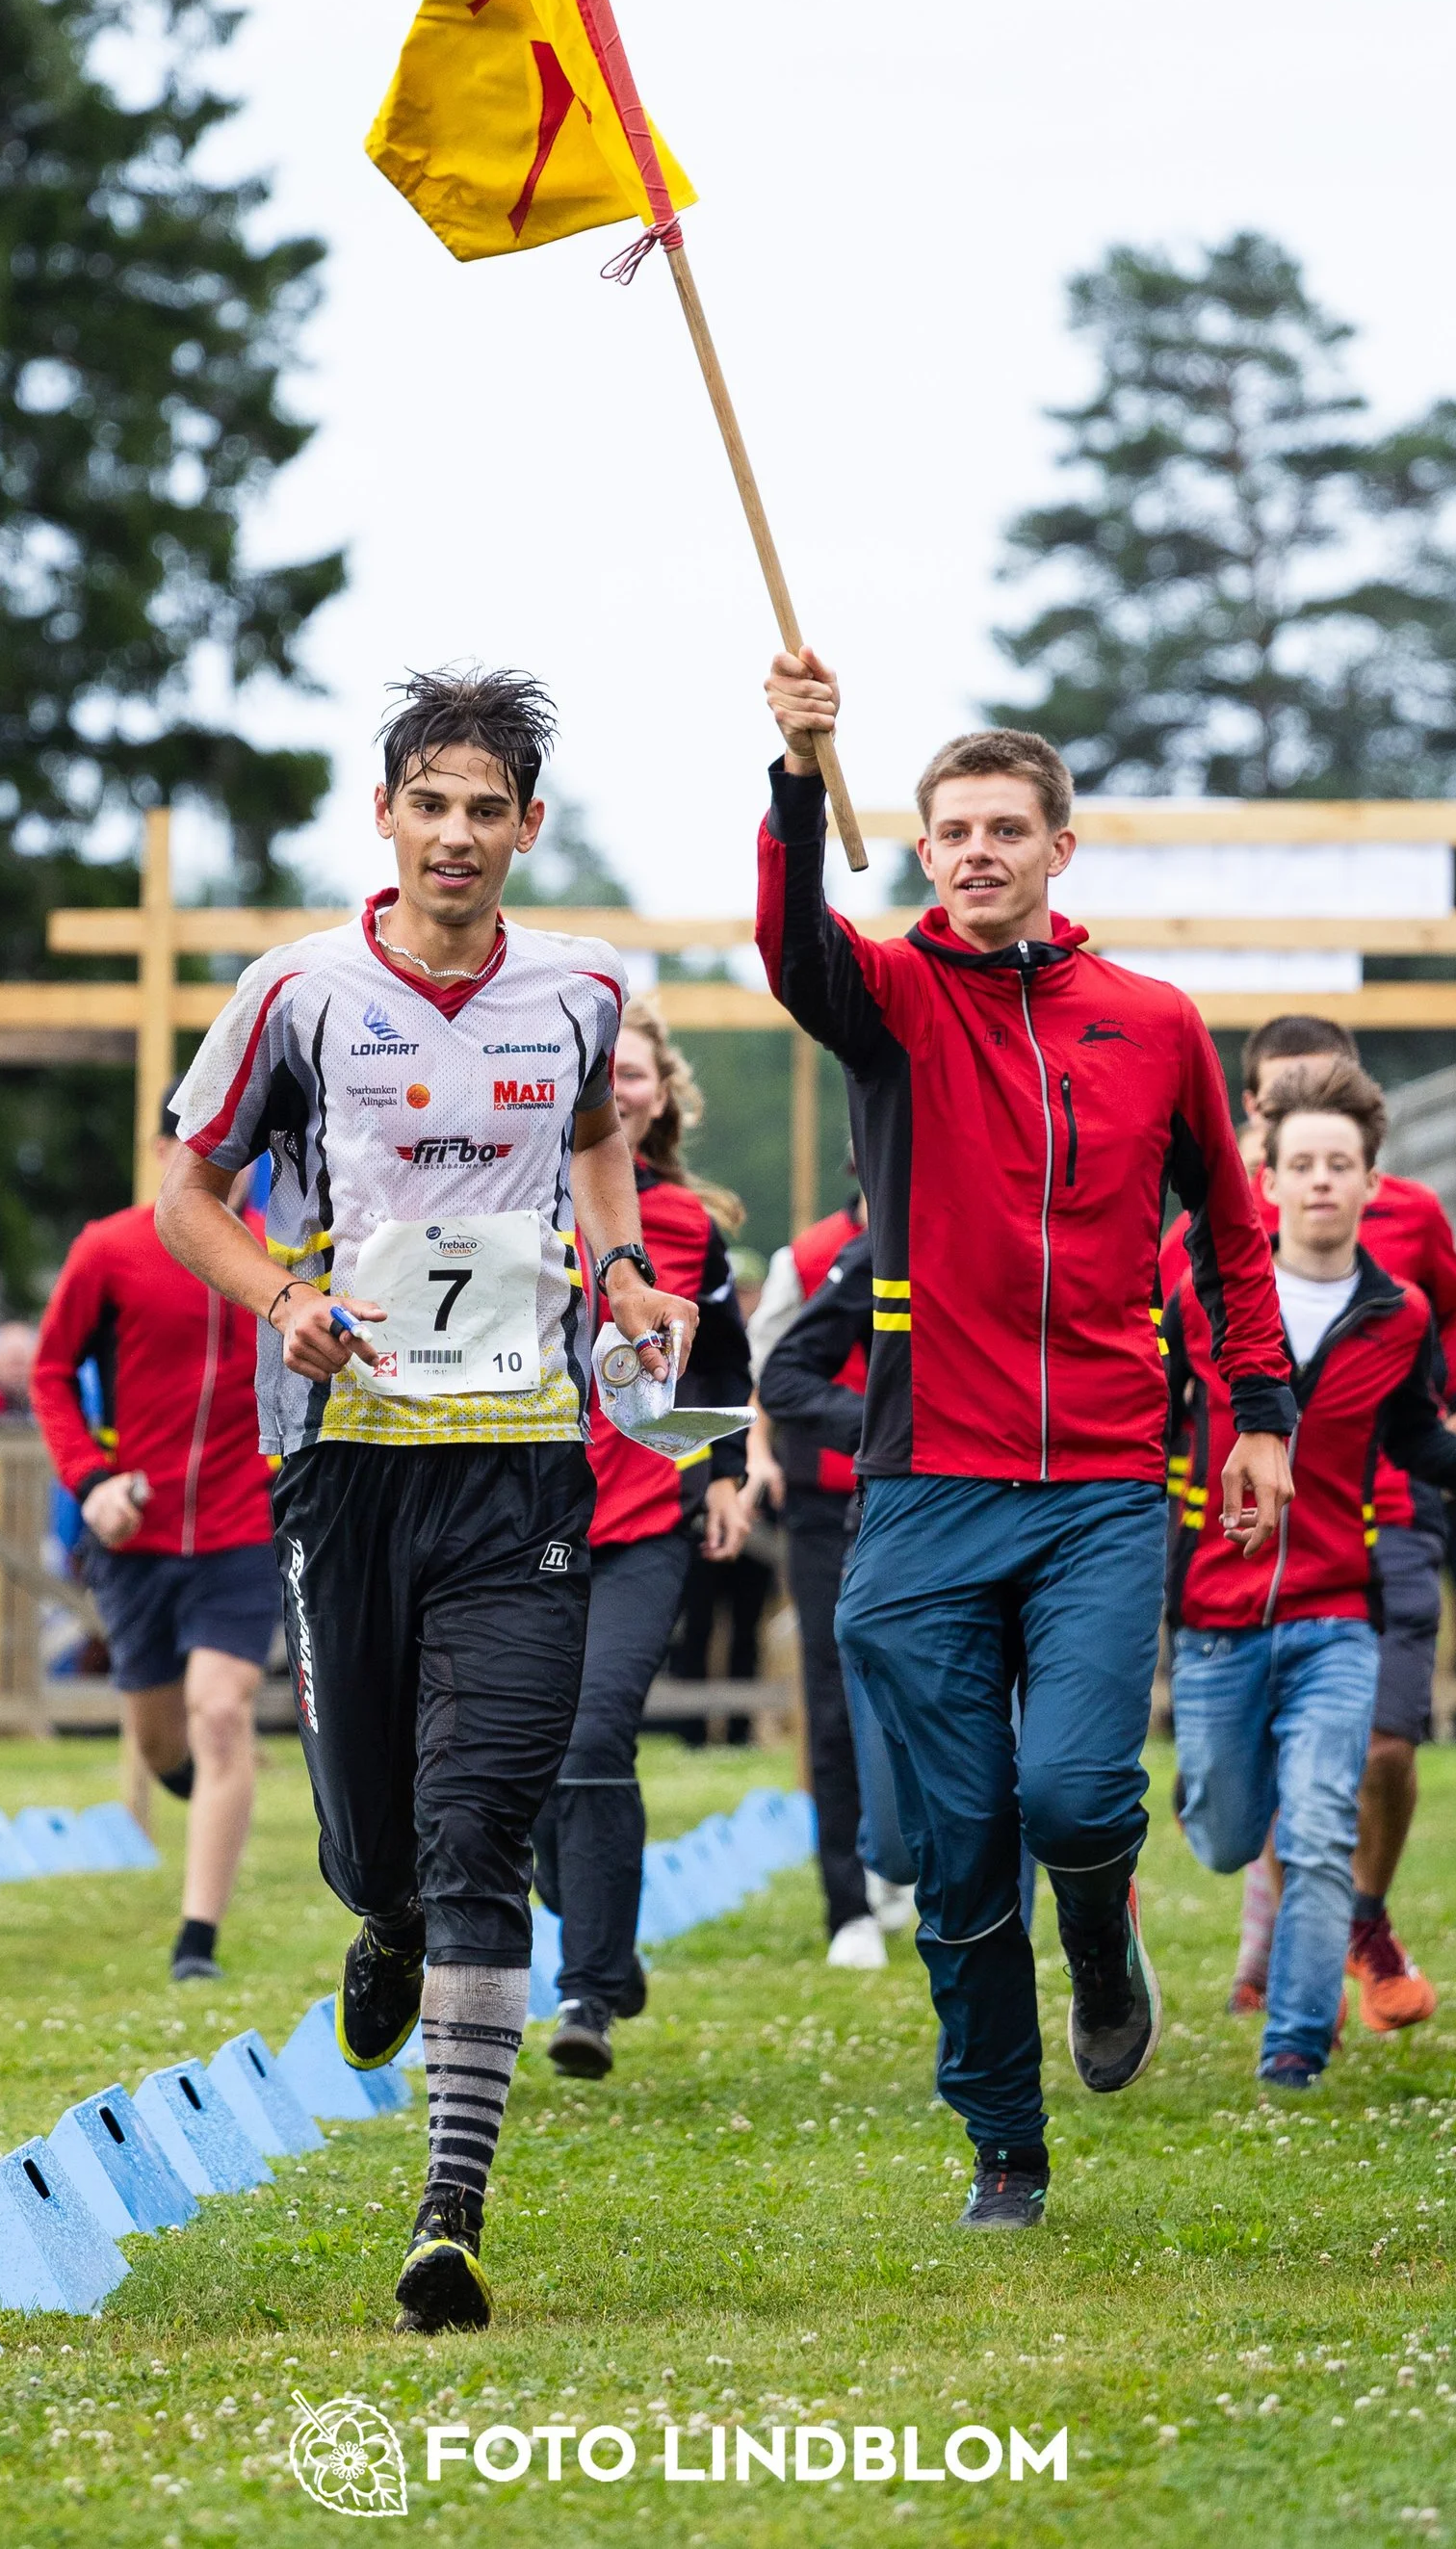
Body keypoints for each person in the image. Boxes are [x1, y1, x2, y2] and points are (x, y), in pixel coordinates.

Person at [157, 667, 697, 2335]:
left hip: (522, 1452)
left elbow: (603, 1139)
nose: (459, 834)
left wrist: (615, 1268)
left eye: (490, 808)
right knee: (372, 1833)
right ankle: (375, 1914)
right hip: (340, 1455)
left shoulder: (587, 987)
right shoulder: (296, 994)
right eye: (431, 803)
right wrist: (279, 1298)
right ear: (383, 816)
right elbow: (183, 1193)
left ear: (528, 827)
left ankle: (447, 2214)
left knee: (485, 1831)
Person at [758, 647, 1296, 2230]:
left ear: (1064, 849)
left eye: (1007, 827)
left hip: (1107, 1487)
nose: (978, 852)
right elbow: (792, 946)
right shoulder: (895, 1003)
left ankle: (1104, 1937)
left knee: (1072, 1797)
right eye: (952, 831)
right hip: (929, 1486)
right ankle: (1006, 2140)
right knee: (955, 1842)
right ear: (922, 852)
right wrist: (799, 771)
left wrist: (1257, 1407)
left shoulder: (1154, 1021)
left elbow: (1236, 1231)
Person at [1164, 1063, 1456, 2089]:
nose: (1321, 1179)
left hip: (1338, 1607)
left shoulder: (1398, 1313)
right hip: (1213, 1614)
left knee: (1324, 1825)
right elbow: (1152, 1415)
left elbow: (1414, 1434)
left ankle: (1293, 2043)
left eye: (1341, 1163)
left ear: (1374, 1183)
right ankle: (1234, 1814)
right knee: (1225, 1830)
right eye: (1301, 1164)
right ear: (1266, 1183)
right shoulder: (1201, 1295)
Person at [533, 997, 751, 2078]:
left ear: (660, 1097)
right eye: (603, 1070)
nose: (620, 1086)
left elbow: (720, 1367)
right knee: (521, 1761)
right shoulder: (509, 1202)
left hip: (640, 1518)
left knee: (590, 1734)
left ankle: (588, 1987)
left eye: (638, 1073)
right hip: (518, 1517)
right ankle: (601, 1934)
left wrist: (724, 1474)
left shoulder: (687, 1224)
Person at [35, 1093, 274, 1987]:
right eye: (197, 1137)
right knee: (164, 1737)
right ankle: (204, 1787)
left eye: (236, 1143)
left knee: (223, 1712)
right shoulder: (110, 1248)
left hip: (244, 1521)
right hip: (132, 1534)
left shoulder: (285, 1253)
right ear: (163, 1146)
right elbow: (50, 1371)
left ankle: (196, 1941)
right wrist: (90, 1484)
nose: (219, 1156)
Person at [756, 1224, 921, 1962]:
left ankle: (901, 1854)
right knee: (831, 1693)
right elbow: (770, 1374)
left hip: (940, 1494)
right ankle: (847, 1901)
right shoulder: (811, 1255)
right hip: (828, 1502)